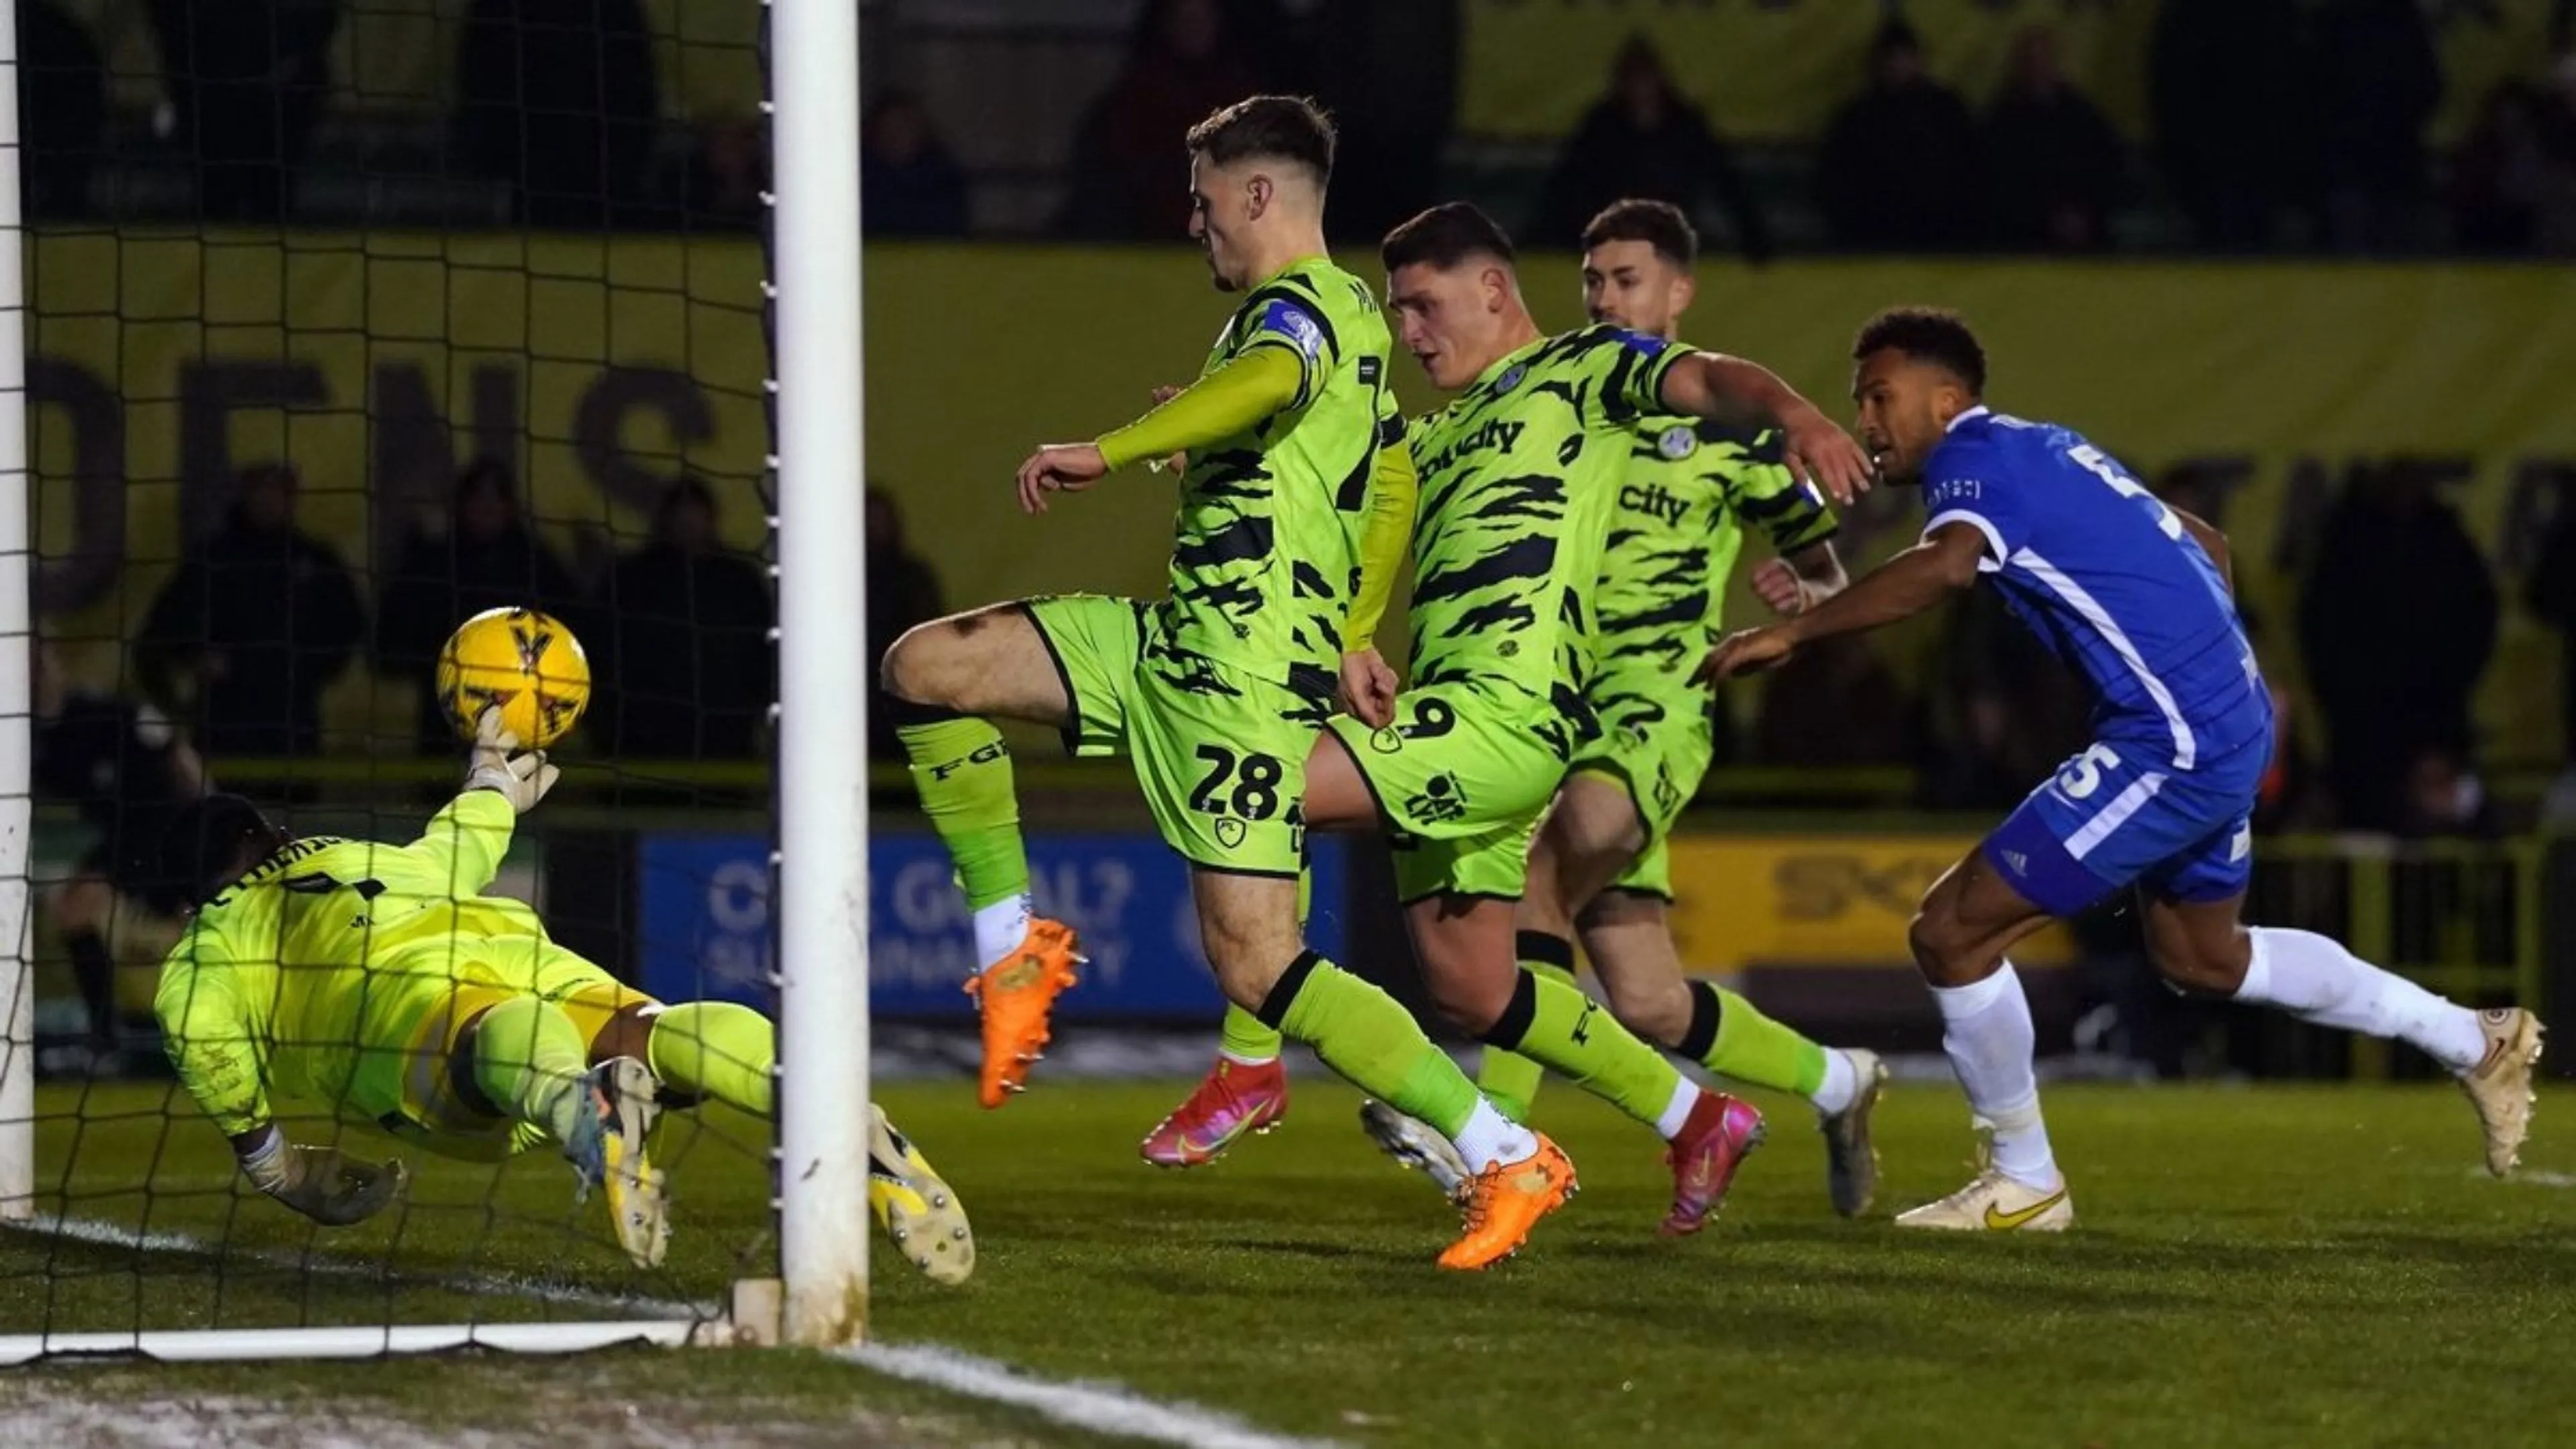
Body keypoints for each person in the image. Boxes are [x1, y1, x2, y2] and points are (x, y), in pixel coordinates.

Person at [883, 97, 1574, 1271]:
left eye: (1204, 200)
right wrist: (1359, 628)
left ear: (1258, 196)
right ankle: (1015, 951)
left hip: (1242, 693)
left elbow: (1265, 381)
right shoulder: (1356, 318)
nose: (1192, 221)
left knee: (1259, 967)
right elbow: (1390, 481)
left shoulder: (1297, 317)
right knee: (925, 666)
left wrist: (1113, 448)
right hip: (1168, 646)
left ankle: (1504, 1150)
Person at [1699, 308, 2545, 1230]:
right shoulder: (2050, 450)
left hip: (2171, 742)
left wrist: (1795, 631)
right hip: (2222, 723)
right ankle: (2470, 1036)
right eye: (1860, 399)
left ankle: (2024, 1179)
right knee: (2203, 957)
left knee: (1950, 933)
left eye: (1880, 396)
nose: (1864, 418)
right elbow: (2208, 546)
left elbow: (1943, 572)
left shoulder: (1972, 463)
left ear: (1947, 401)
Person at [1147, 200, 1890, 1223]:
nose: (1408, 333)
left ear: (1493, 291)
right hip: (1468, 721)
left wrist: (1798, 419)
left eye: (1422, 305)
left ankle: (1268, 1065)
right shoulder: (1428, 438)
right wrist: (1220, 449)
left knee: (1252, 784)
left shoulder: (1585, 372)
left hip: (1549, 718)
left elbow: (1718, 383)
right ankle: (1707, 1116)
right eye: (1398, 311)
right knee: (1490, 990)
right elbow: (1321, 498)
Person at [152, 712, 973, 1283]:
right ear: (281, 835)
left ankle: (588, 1115)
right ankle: (826, 1106)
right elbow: (462, 839)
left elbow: (199, 1032)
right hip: (519, 950)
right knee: (648, 1030)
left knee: (495, 1045)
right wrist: (486, 777)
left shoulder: (209, 946)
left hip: (397, 1016)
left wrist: (282, 1171)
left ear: (191, 897)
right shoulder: (362, 853)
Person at [34, 641, 207, 1067]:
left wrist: (210, 820)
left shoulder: (102, 714)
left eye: (39, 662)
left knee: (197, 928)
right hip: (125, 839)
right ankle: (107, 1034)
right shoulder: (30, 737)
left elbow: (178, 755)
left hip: (168, 831)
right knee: (75, 911)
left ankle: (206, 1030)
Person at [136, 463, 367, 758]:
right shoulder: (212, 559)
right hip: (225, 723)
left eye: (278, 490)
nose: (268, 499)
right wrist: (194, 657)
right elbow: (161, 632)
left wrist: (303, 671)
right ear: (245, 493)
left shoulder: (316, 560)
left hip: (293, 723)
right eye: (261, 489)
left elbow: (349, 625)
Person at [376, 459, 586, 754]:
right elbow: (394, 638)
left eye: (497, 497)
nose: (487, 506)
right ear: (462, 504)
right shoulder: (435, 563)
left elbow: (573, 631)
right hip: (448, 717)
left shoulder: (537, 566)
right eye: (478, 497)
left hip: (523, 720)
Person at [1532, 37, 1770, 262]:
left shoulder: (1685, 125)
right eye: (1633, 80)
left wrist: (1754, 240)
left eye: (1645, 80)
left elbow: (1725, 181)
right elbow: (1568, 183)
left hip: (1670, 239)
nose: (1640, 89)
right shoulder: (1602, 126)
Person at [598, 477, 775, 759]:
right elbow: (605, 652)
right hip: (644, 736)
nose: (688, 523)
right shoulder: (632, 580)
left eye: (695, 513)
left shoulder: (739, 581)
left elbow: (763, 655)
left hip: (724, 734)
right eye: (681, 513)